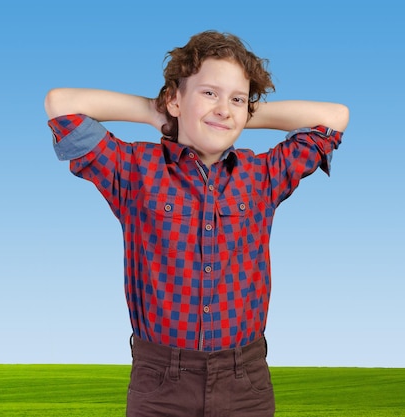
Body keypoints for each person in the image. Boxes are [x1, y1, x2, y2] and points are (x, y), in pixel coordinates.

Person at [44, 30, 349, 417]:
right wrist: (158, 112)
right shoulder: (135, 170)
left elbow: (334, 118)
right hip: (160, 382)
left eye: (237, 98)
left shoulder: (262, 175)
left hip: (245, 381)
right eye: (209, 93)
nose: (223, 108)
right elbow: (61, 106)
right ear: (174, 98)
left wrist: (238, 117)